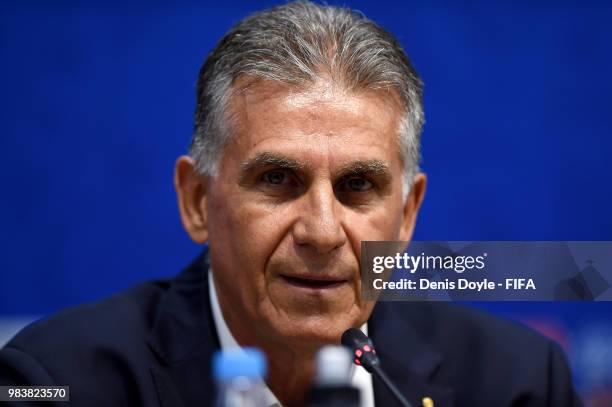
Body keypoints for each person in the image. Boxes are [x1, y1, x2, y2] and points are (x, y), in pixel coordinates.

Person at [0, 1, 582, 406]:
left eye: (358, 186)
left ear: (407, 216)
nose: (322, 231)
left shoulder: (517, 383)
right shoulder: (58, 383)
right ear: (198, 200)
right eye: (278, 178)